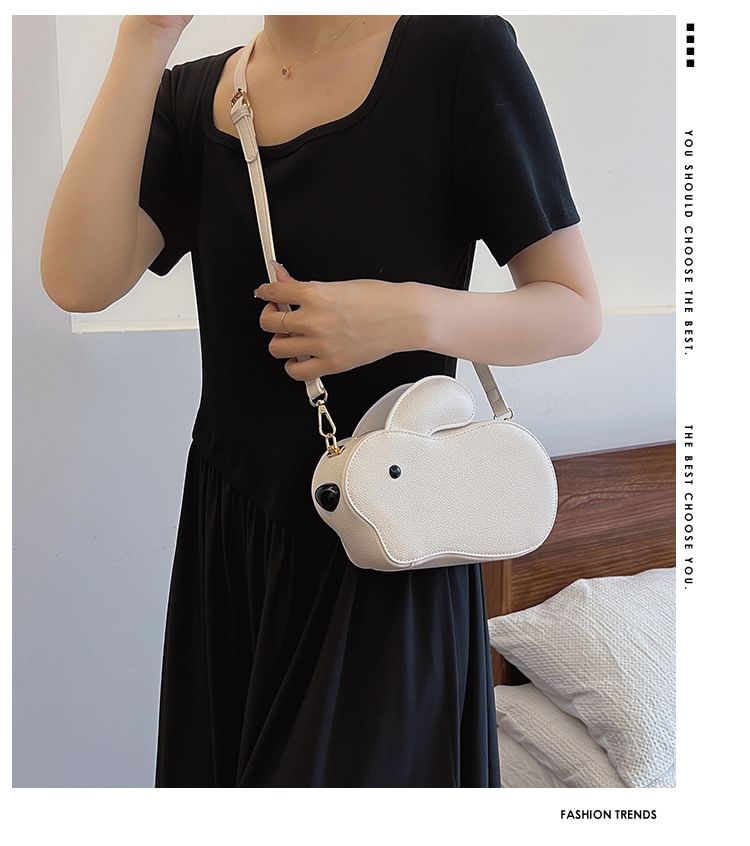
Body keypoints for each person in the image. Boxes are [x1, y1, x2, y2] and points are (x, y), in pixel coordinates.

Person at [40, 14, 602, 788]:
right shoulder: (193, 96)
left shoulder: (457, 54)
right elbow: (78, 280)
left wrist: (400, 314)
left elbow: (573, 308)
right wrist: (145, 37)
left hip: (389, 544)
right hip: (230, 551)